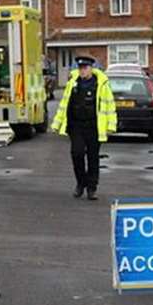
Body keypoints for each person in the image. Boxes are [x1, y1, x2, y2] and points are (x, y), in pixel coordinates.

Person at [51, 55, 117, 200]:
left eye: (85, 68)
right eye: (80, 68)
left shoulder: (101, 84)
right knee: (77, 153)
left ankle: (92, 188)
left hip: (94, 126)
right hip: (76, 126)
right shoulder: (73, 83)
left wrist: (111, 126)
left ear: (91, 69)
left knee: (93, 158)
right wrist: (57, 123)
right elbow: (64, 104)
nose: (82, 71)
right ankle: (81, 183)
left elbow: (109, 106)